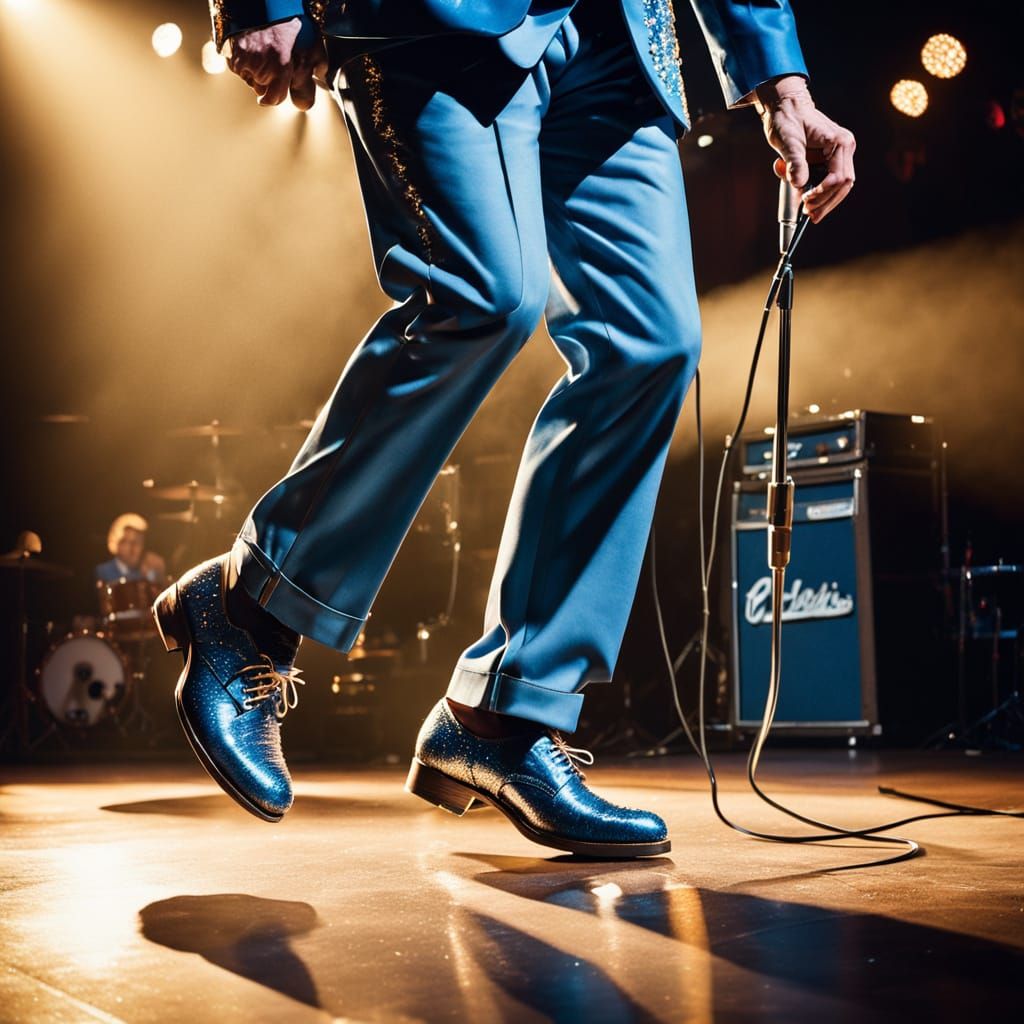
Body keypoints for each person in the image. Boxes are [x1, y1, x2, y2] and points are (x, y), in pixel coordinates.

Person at [154, 0, 855, 856]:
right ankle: (249, 609)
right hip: (436, 22)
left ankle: (505, 715)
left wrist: (778, 76)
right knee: (483, 296)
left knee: (652, 343)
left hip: (618, 39)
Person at [95, 513, 166, 584]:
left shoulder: (143, 570)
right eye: (133, 543)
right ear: (117, 543)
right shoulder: (103, 571)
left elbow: (154, 582)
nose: (136, 550)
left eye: (140, 543)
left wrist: (157, 573)